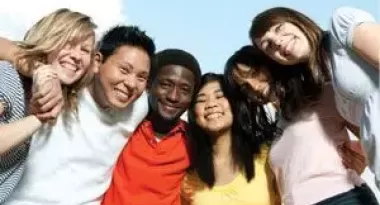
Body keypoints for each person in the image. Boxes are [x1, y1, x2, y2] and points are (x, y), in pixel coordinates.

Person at [3, 25, 155, 205]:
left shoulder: (138, 106)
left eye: (141, 77)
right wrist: (40, 72)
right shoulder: (69, 82)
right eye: (124, 70)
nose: (131, 83)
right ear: (97, 62)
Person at [250, 6, 380, 188]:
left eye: (278, 28)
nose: (277, 42)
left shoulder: (341, 25)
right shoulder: (330, 85)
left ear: (298, 21)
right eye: (268, 45)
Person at [0, 8, 96, 203]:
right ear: (48, 39)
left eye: (85, 50)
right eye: (69, 44)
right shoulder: (9, 78)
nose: (77, 56)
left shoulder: (39, 92)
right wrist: (38, 118)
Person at [102, 48, 202, 205]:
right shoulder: (123, 122)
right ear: (148, 85)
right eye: (165, 84)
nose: (173, 96)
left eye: (185, 90)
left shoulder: (195, 141)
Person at [181, 73, 278, 205]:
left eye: (220, 96)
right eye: (201, 100)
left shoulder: (268, 157)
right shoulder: (188, 177)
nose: (211, 104)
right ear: (193, 114)